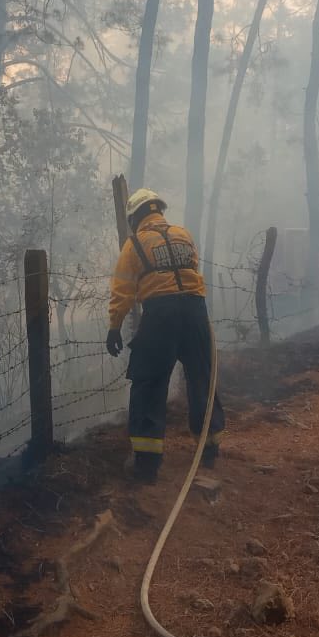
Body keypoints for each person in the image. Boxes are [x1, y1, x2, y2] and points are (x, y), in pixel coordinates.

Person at [106, 189, 226, 483]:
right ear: (158, 210)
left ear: (135, 217)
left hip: (160, 314)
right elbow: (193, 270)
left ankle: (146, 465)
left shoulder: (134, 243)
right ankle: (209, 450)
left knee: (149, 382)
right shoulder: (183, 234)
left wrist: (114, 325)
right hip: (196, 311)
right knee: (202, 377)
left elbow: (123, 289)